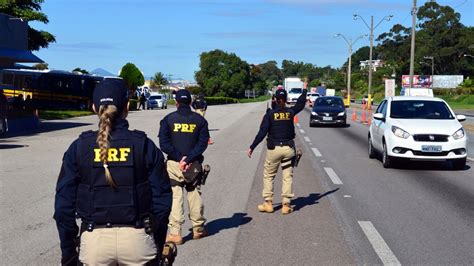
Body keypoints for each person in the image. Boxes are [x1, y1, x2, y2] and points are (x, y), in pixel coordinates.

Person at [54, 79, 172, 265]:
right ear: (127, 107)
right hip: (137, 241)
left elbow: (63, 208)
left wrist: (68, 253)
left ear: (94, 107)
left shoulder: (79, 148)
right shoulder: (143, 145)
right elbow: (162, 200)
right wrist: (156, 241)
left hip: (94, 244)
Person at [159, 89, 210, 245]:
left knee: (175, 196)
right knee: (194, 194)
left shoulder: (167, 119)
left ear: (176, 103)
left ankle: (175, 233)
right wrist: (188, 158)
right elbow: (202, 144)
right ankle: (198, 229)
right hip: (193, 164)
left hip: (174, 164)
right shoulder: (200, 121)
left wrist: (179, 157)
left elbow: (164, 144)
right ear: (190, 103)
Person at [247, 87, 307, 214]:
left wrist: (252, 147)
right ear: (285, 100)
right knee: (287, 177)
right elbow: (300, 104)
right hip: (289, 148)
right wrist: (304, 91)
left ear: (274, 99)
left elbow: (262, 132)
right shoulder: (290, 112)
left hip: (274, 149)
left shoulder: (270, 114)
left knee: (269, 176)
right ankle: (286, 205)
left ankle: (268, 203)